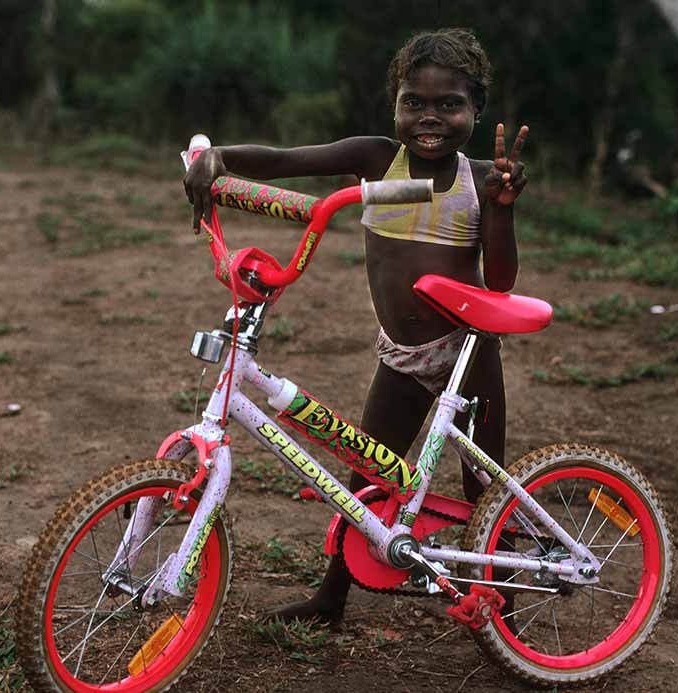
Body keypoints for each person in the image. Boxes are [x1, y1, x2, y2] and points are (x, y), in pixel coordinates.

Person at [184, 28, 529, 625]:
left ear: (477, 110)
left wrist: (502, 210)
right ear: (394, 103)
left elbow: (498, 280)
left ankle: (506, 606)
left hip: (467, 354)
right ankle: (332, 597)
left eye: (450, 104)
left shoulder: (480, 178)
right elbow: (289, 161)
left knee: (484, 484)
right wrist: (221, 159)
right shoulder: (376, 157)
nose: (430, 117)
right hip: (401, 353)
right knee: (367, 480)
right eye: (413, 102)